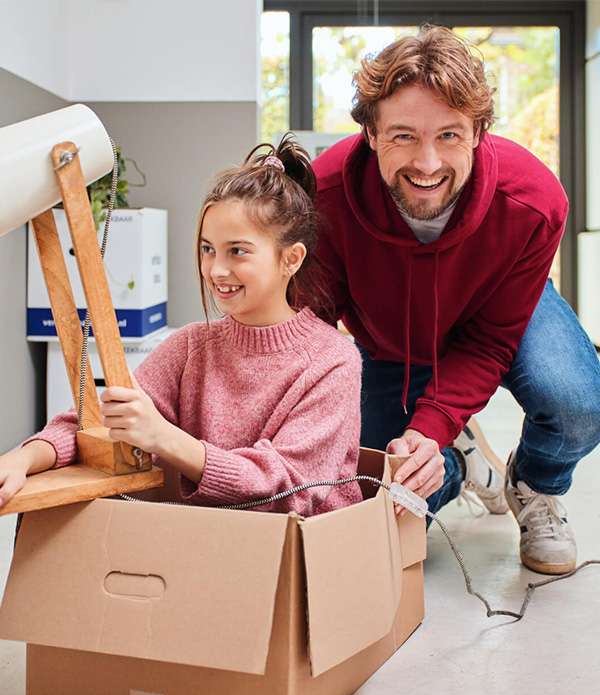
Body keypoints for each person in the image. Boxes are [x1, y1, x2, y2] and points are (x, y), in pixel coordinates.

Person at [307, 24, 600, 574]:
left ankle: (534, 487)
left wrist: (431, 419)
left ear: (479, 132)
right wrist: (420, 439)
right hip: (391, 340)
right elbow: (314, 336)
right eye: (403, 136)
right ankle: (463, 465)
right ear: (370, 133)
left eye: (448, 136)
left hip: (498, 308)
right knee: (385, 498)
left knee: (576, 403)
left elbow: (490, 341)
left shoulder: (533, 202)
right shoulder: (322, 199)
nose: (426, 163)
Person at [0, 135, 363, 516]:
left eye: (237, 251)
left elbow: (288, 489)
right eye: (208, 249)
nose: (216, 270)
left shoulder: (334, 360)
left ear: (291, 259)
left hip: (300, 558)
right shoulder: (191, 345)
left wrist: (161, 435)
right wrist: (24, 458)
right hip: (207, 546)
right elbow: (94, 422)